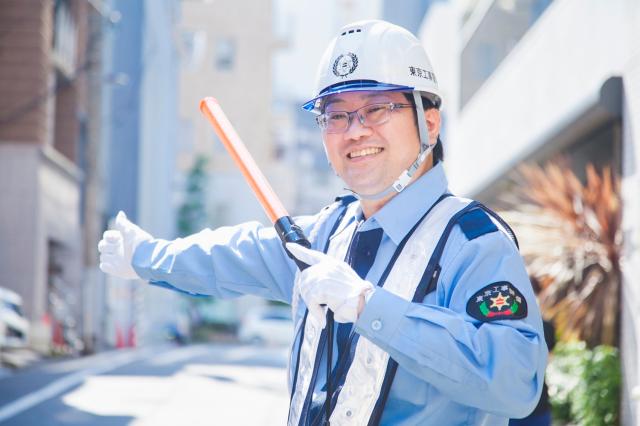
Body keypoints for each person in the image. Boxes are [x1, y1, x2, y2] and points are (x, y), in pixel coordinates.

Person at [98, 20, 547, 425]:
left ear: (429, 122)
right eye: (336, 115)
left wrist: (370, 307)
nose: (354, 131)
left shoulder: (473, 243)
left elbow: (515, 383)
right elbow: (228, 256)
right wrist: (142, 256)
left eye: (377, 108)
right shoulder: (327, 235)